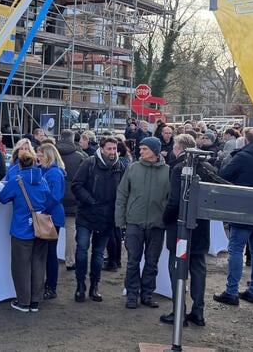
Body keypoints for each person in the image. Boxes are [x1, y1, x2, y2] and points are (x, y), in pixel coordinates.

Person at [213, 127, 253, 307]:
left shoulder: (242, 157)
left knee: (235, 249)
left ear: (246, 140)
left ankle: (231, 291)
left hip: (243, 209)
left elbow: (223, 175)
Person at [160, 134, 212, 327]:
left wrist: (165, 218)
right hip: (201, 227)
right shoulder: (207, 168)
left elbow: (175, 200)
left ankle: (179, 312)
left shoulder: (178, 169)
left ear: (179, 149)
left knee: (177, 269)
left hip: (180, 227)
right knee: (198, 270)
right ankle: (198, 312)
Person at [0, 146, 56, 312]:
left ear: (19, 164)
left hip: (21, 228)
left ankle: (23, 301)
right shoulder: (42, 179)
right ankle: (35, 300)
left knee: (21, 265)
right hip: (40, 228)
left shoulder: (17, 180)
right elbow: (50, 199)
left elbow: (2, 198)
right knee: (38, 263)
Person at [115, 135, 170, 309]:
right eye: (140, 149)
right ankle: (132, 295)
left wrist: (165, 219)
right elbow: (122, 194)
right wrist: (120, 219)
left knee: (152, 262)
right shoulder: (133, 169)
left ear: (154, 151)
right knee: (133, 261)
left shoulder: (168, 171)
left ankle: (147, 294)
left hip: (157, 224)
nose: (140, 151)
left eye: (144, 149)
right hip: (134, 222)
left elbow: (170, 199)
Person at [72, 137, 124, 303]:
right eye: (109, 148)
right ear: (102, 149)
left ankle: (94, 286)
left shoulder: (119, 166)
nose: (112, 152)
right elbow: (76, 185)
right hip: (86, 214)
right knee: (81, 250)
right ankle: (80, 285)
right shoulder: (89, 163)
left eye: (114, 149)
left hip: (107, 217)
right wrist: (90, 200)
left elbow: (123, 191)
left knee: (98, 254)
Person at [37, 144, 66, 300]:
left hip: (50, 216)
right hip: (48, 215)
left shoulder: (54, 173)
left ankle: (51, 286)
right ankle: (47, 285)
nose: (37, 157)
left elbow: (54, 197)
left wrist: (40, 208)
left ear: (47, 156)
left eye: (40, 155)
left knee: (49, 253)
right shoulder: (46, 170)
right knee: (47, 252)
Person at [57, 129, 87, 272]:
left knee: (51, 228)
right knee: (70, 229)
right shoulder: (79, 157)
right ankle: (70, 260)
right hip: (72, 197)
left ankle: (49, 256)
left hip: (54, 196)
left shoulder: (52, 153)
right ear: (72, 139)